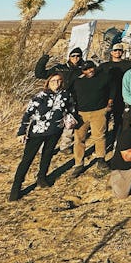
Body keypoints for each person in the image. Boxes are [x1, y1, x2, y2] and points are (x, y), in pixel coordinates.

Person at [9, 73, 78, 201]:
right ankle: (16, 188)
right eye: (53, 81)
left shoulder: (65, 95)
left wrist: (70, 119)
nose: (56, 83)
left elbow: (71, 107)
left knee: (47, 154)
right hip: (37, 132)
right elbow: (27, 115)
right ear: (48, 82)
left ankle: (42, 178)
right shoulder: (40, 96)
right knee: (27, 159)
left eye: (59, 81)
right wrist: (22, 132)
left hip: (55, 131)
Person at [34, 47, 84, 154]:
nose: (76, 58)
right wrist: (43, 59)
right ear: (69, 57)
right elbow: (40, 74)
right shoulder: (59, 68)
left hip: (73, 100)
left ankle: (65, 146)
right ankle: (44, 147)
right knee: (51, 122)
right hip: (56, 99)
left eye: (78, 56)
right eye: (73, 56)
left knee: (69, 123)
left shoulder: (82, 69)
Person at [71, 60, 114, 178]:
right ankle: (78, 164)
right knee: (79, 139)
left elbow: (112, 89)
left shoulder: (104, 77)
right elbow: (72, 95)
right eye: (86, 69)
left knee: (99, 136)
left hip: (99, 111)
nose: (89, 71)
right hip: (81, 113)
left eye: (91, 68)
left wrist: (109, 103)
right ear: (82, 71)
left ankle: (101, 159)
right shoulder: (77, 81)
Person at [98, 43, 131, 145]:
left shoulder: (129, 65)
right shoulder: (104, 66)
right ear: (111, 52)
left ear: (123, 52)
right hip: (106, 98)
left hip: (122, 97)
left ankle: (116, 141)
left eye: (119, 50)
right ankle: (103, 143)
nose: (117, 52)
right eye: (115, 50)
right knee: (103, 122)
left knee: (119, 120)